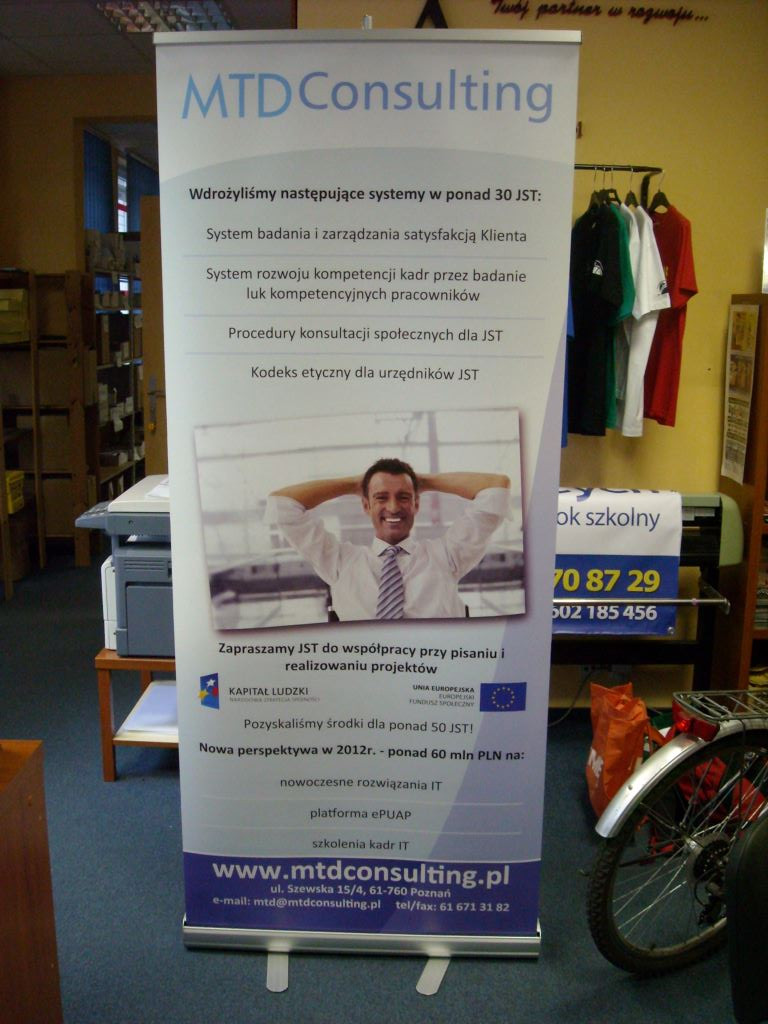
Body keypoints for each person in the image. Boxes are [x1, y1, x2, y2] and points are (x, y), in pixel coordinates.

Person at [266, 457, 511, 621]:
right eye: (381, 497)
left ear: (416, 504)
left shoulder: (447, 556)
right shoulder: (339, 562)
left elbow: (496, 488)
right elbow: (282, 504)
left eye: (404, 497)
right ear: (366, 505)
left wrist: (423, 481)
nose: (393, 507)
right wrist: (356, 483)